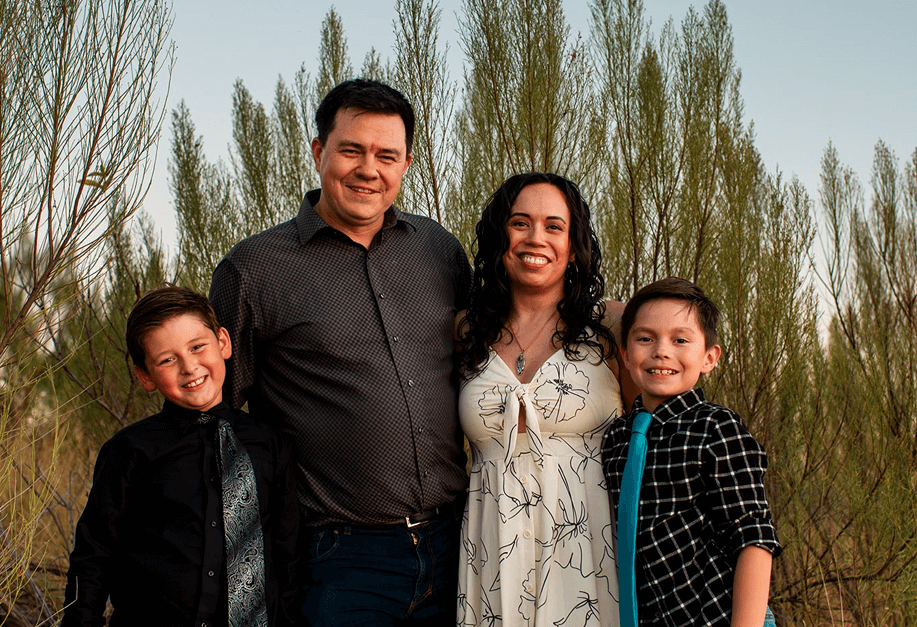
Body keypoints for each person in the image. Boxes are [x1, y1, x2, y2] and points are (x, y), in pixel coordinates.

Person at [208, 78, 472, 626]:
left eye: (386, 155)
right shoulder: (254, 271)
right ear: (318, 150)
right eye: (351, 149)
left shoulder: (440, 251)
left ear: (405, 163)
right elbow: (216, 419)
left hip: (460, 546)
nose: (368, 169)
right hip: (339, 561)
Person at [61, 286, 298, 627]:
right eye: (167, 360)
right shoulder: (130, 450)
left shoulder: (270, 444)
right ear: (145, 376)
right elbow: (95, 553)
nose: (189, 367)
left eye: (197, 347)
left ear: (223, 342)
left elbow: (288, 553)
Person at [455, 172, 627, 627]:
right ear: (499, 237)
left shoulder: (612, 328)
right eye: (520, 223)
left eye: (554, 226)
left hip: (589, 558)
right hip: (489, 554)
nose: (537, 238)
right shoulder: (465, 333)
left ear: (574, 244)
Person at [601, 277, 782, 627]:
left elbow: (753, 536)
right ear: (624, 353)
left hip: (722, 617)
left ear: (709, 358)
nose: (661, 351)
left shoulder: (717, 428)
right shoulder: (616, 439)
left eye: (680, 340)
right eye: (645, 338)